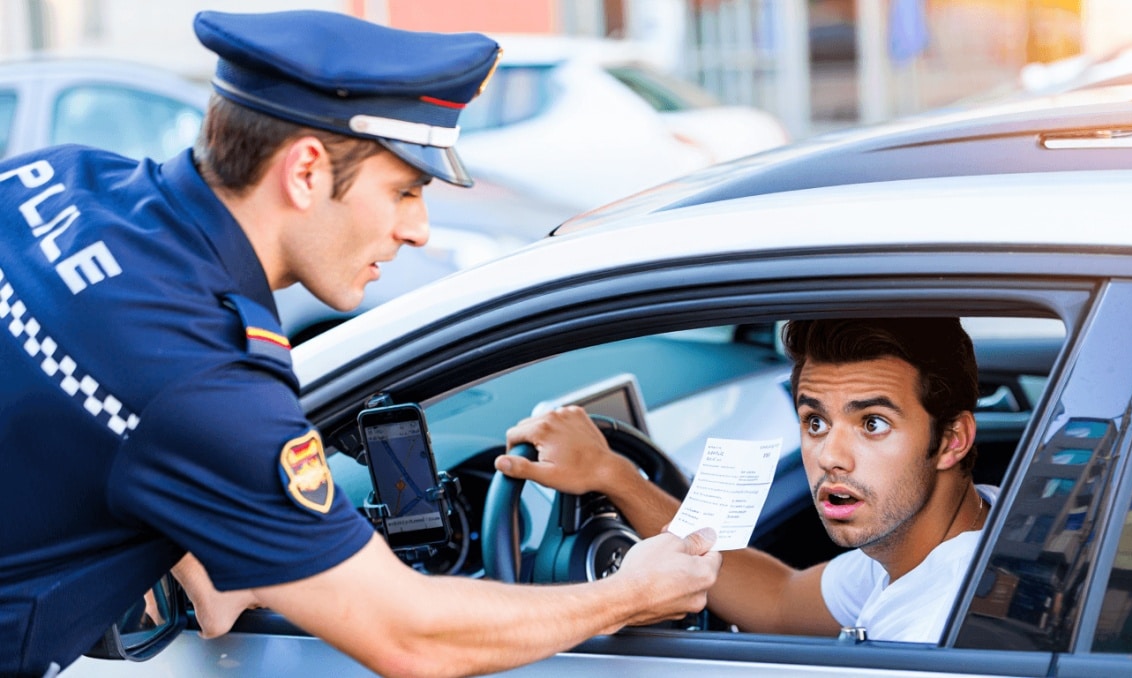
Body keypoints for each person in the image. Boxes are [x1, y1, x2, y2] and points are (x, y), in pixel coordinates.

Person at [0, 10, 721, 678]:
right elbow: (407, 633)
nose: (420, 230)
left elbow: (80, 410)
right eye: (405, 190)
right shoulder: (208, 379)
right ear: (306, 170)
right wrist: (627, 595)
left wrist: (184, 528)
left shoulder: (54, 179)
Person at [499, 317, 998, 643]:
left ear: (952, 439)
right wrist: (615, 475)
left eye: (872, 424)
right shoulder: (952, 537)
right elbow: (780, 599)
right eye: (816, 422)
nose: (830, 457)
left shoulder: (935, 630)